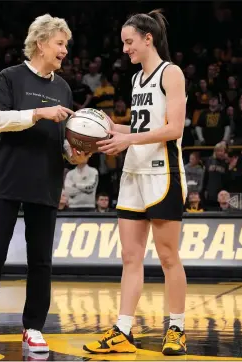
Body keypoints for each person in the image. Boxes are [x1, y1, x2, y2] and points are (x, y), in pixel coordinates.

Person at [0, 14, 90, 355]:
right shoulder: (10, 77)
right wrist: (38, 114)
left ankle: (34, 327)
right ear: (41, 43)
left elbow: (62, 143)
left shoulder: (63, 87)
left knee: (41, 261)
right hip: (5, 180)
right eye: (60, 43)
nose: (65, 50)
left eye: (65, 44)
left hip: (45, 182)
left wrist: (76, 153)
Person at [83, 9, 188, 356]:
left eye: (130, 42)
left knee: (168, 256)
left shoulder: (170, 73)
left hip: (163, 173)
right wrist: (114, 130)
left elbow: (174, 129)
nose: (125, 49)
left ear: (148, 38)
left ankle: (177, 328)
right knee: (130, 256)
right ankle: (123, 331)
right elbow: (143, 128)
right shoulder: (135, 80)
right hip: (134, 173)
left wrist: (128, 140)